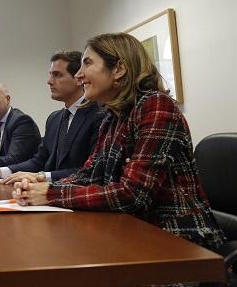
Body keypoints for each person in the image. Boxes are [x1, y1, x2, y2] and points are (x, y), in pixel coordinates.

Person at [13, 33, 225, 250]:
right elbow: (90, 174)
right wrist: (41, 186)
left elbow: (133, 194)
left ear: (119, 69)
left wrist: (50, 193)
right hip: (131, 229)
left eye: (87, 63)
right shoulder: (112, 117)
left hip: (178, 239)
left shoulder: (156, 106)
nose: (79, 75)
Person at [0, 51, 103, 182]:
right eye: (50, 75)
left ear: (79, 78)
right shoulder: (54, 119)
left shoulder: (98, 115)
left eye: (57, 75)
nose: (49, 81)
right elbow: (39, 161)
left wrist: (41, 177)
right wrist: (1, 171)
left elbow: (89, 171)